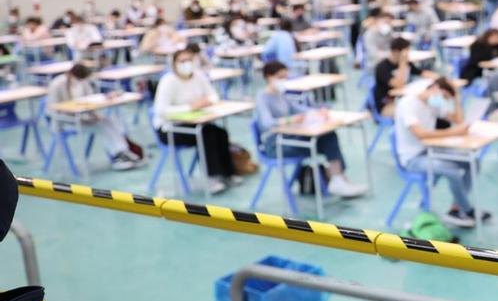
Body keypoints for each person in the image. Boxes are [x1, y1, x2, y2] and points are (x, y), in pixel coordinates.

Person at [255, 61, 366, 197]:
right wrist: (289, 120)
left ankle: (339, 179)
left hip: (288, 137)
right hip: (275, 144)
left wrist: (318, 112)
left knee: (328, 136)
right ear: (269, 77)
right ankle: (338, 179)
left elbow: (300, 109)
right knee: (325, 142)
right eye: (280, 77)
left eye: (285, 77)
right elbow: (266, 123)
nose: (283, 81)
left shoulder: (281, 95)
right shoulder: (262, 98)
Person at [394, 77, 491, 228]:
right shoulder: (407, 104)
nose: (443, 100)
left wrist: (455, 99)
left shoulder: (433, 102)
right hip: (412, 158)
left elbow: (459, 120)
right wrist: (452, 132)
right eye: (443, 96)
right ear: (433, 88)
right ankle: (467, 209)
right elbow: (421, 134)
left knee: (472, 163)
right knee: (451, 170)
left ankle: (456, 209)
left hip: (431, 149)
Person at [152, 48, 236, 193]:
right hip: (170, 129)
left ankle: (227, 173)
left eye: (189, 60)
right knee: (206, 136)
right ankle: (213, 177)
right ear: (174, 64)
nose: (187, 64)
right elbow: (161, 110)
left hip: (197, 122)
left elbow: (213, 95)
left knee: (220, 133)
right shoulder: (168, 81)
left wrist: (207, 101)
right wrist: (189, 107)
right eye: (182, 61)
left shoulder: (198, 76)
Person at [47, 63, 145, 171]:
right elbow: (53, 110)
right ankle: (118, 155)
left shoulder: (83, 81)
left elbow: (90, 98)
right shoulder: (57, 84)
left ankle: (124, 151)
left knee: (108, 121)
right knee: (101, 126)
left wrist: (103, 100)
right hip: (66, 122)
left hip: (83, 116)